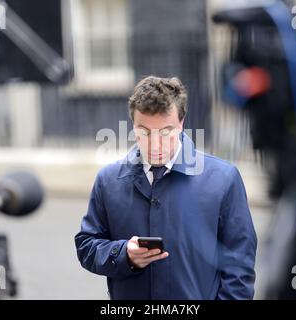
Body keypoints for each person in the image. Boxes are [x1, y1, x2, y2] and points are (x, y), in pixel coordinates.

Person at [75, 76, 257, 299]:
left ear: (181, 123)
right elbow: (86, 246)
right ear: (133, 126)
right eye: (144, 132)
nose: (155, 144)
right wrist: (123, 254)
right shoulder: (108, 180)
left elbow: (239, 265)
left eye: (165, 132)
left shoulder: (224, 179)